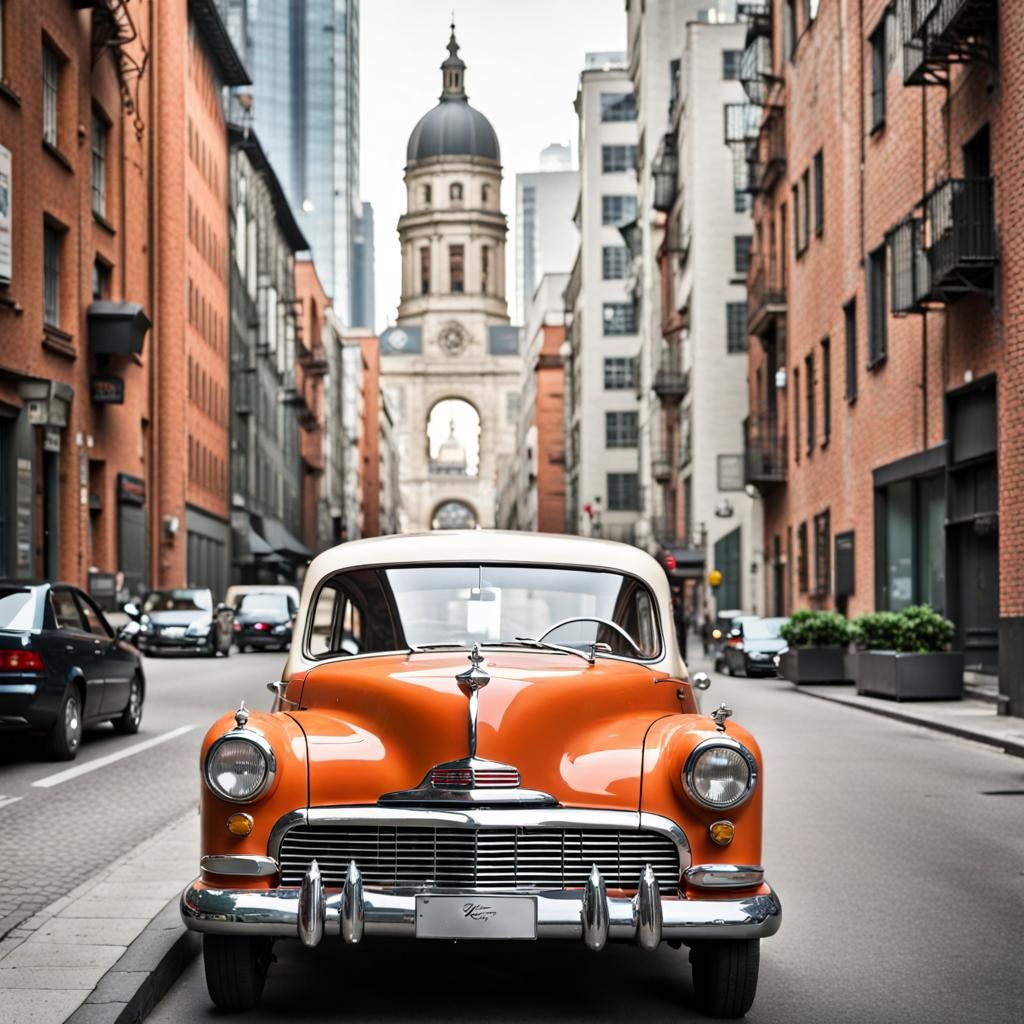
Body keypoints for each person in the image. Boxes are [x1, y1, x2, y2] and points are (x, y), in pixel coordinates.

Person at [671, 586, 687, 663]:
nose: (678, 600)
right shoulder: (674, 610)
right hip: (677, 633)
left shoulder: (679, 610)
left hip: (680, 633)